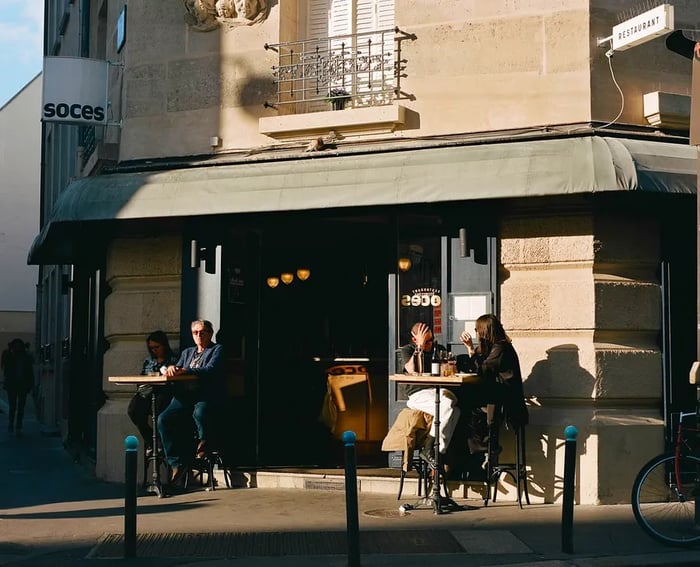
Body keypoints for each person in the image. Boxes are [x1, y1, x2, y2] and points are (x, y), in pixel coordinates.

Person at [158, 319, 226, 489]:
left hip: (205, 394)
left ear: (210, 333)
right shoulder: (188, 352)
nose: (199, 335)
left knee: (200, 413)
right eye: (195, 332)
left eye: (202, 332)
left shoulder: (217, 349)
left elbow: (210, 370)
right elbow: (178, 368)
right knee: (163, 419)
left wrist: (185, 370)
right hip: (184, 396)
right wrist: (172, 368)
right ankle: (176, 463)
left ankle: (204, 442)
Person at [400, 322, 461, 465]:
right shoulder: (408, 350)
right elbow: (411, 369)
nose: (430, 344)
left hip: (436, 391)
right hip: (417, 394)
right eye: (426, 341)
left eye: (431, 340)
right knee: (445, 405)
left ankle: (439, 453)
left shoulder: (437, 349)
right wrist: (419, 347)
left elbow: (448, 368)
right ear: (415, 339)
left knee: (456, 410)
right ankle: (429, 447)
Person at [459, 314, 528, 430]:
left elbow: (483, 369)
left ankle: (485, 445)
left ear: (484, 332)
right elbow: (480, 365)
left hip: (506, 404)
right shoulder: (496, 347)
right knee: (463, 400)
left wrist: (471, 350)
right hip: (499, 398)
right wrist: (471, 348)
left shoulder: (501, 348)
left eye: (477, 330)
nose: (476, 334)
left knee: (465, 404)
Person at [126, 331, 178, 456]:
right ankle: (151, 441)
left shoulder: (172, 359)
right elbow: (143, 376)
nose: (154, 350)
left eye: (157, 347)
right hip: (147, 391)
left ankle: (160, 443)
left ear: (164, 345)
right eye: (151, 348)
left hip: (164, 391)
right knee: (133, 410)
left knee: (158, 411)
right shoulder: (148, 361)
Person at [2, 338, 35, 436]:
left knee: (18, 407)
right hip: (16, 385)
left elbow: (29, 372)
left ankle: (16, 425)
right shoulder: (11, 356)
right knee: (15, 406)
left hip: (19, 385)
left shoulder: (23, 357)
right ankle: (14, 425)